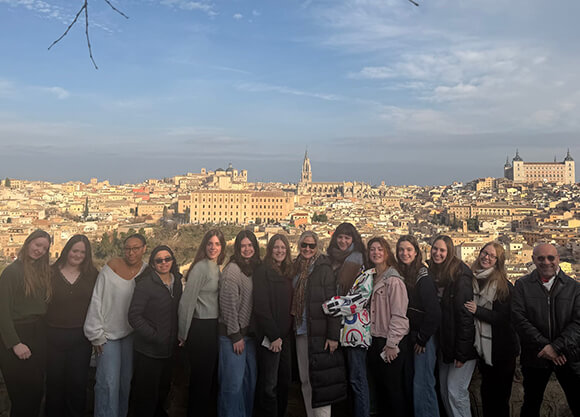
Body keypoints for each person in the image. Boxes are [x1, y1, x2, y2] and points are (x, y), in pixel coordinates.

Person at [512, 243, 580, 417]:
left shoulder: (574, 287)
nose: (546, 262)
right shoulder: (522, 285)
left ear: (558, 259)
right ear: (533, 260)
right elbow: (519, 319)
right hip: (536, 356)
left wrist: (556, 347)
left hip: (567, 357)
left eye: (551, 257)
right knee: (531, 404)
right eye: (540, 258)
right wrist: (547, 347)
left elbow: (578, 322)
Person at [84, 233, 147, 417]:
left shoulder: (146, 271)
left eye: (136, 248)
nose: (131, 252)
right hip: (107, 335)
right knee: (107, 382)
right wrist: (95, 334)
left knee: (125, 382)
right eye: (127, 248)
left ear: (144, 248)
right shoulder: (110, 268)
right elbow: (97, 299)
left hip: (130, 334)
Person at [292, 230, 346, 417]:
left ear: (317, 248)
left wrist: (333, 336)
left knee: (321, 381)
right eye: (304, 245)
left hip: (320, 333)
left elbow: (333, 304)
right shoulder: (295, 268)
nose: (307, 249)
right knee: (305, 379)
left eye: (311, 246)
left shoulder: (323, 269)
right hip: (300, 331)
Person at [464, 242, 519, 417]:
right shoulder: (472, 279)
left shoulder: (504, 286)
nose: (486, 257)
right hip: (485, 351)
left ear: (498, 261)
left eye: (491, 255)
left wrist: (477, 311)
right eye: (484, 253)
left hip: (502, 351)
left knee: (500, 399)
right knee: (487, 396)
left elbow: (504, 319)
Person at [46, 234, 98, 417]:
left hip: (80, 339)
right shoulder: (49, 273)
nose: (78, 255)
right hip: (53, 338)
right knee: (54, 385)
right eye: (75, 250)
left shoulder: (92, 275)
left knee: (77, 384)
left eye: (82, 252)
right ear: (67, 250)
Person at [0, 229, 51, 417]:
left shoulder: (42, 273)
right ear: (28, 242)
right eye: (37, 245)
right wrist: (15, 343)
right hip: (18, 336)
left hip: (38, 334)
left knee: (36, 394)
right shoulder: (11, 272)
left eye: (45, 248)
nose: (40, 250)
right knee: (22, 397)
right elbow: (2, 311)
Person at [128, 245, 183, 417]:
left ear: (172, 260)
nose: (164, 263)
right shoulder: (145, 285)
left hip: (168, 351)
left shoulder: (177, 283)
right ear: (152, 264)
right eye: (159, 260)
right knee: (145, 397)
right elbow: (134, 316)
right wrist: (155, 336)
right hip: (148, 352)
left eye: (167, 259)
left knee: (163, 393)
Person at [178, 229, 226, 417]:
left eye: (217, 244)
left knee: (209, 380)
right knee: (201, 381)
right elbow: (187, 302)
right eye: (210, 244)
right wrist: (183, 333)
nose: (213, 248)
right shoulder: (201, 268)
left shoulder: (215, 266)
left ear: (222, 248)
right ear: (204, 246)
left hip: (211, 327)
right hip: (201, 328)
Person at [428, 235, 476, 417]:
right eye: (435, 249)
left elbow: (465, 317)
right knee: (444, 391)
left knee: (456, 392)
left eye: (442, 250)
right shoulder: (435, 272)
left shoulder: (460, 275)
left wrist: (462, 353)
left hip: (460, 347)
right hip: (445, 345)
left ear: (450, 252)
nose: (437, 253)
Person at [326, 222, 369, 417]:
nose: (343, 241)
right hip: (338, 328)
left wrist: (328, 306)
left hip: (354, 330)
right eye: (340, 237)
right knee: (343, 378)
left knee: (356, 379)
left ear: (354, 239)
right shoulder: (331, 260)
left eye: (347, 237)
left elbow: (358, 297)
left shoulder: (357, 259)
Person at [396, 235, 441, 417]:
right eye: (401, 250)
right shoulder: (408, 273)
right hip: (416, 336)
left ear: (416, 252)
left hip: (424, 338)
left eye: (408, 250)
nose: (404, 253)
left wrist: (422, 338)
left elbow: (434, 312)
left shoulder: (423, 277)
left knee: (422, 383)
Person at [217, 230, 261, 417]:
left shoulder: (253, 268)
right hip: (232, 337)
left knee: (248, 383)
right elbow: (228, 306)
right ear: (237, 248)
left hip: (248, 336)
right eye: (243, 246)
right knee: (232, 386)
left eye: (250, 245)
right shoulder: (232, 271)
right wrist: (235, 335)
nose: (247, 249)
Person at [366, 237, 411, 417]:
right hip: (375, 340)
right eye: (372, 249)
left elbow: (400, 314)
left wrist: (392, 343)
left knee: (393, 391)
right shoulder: (370, 277)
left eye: (380, 249)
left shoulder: (393, 280)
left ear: (386, 253)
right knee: (381, 390)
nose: (376, 252)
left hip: (390, 342)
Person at [252, 234, 294, 417]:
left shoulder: (287, 272)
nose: (280, 251)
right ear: (270, 250)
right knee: (269, 385)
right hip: (271, 337)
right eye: (276, 247)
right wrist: (274, 335)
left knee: (285, 381)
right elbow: (261, 306)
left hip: (285, 337)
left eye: (283, 247)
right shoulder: (262, 272)